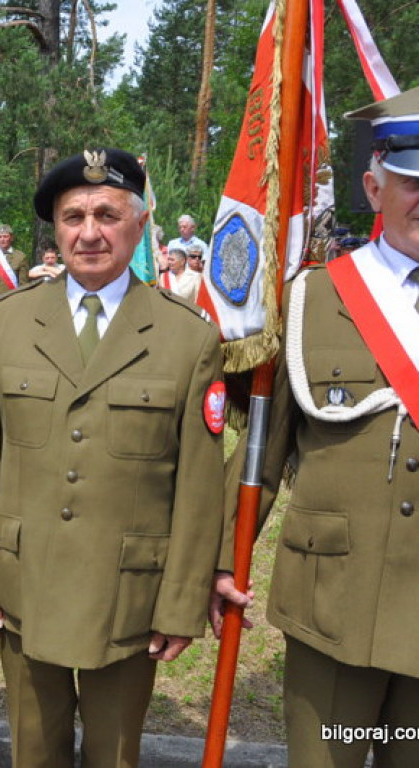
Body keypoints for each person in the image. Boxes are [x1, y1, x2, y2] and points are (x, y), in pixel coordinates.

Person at [0, 147, 225, 768]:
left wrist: (183, 600)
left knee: (115, 755)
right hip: (25, 586)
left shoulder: (187, 336)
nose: (88, 232)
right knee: (33, 750)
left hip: (128, 595)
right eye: (72, 216)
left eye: (106, 214)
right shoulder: (4, 326)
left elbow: (198, 485)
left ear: (139, 225)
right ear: (54, 230)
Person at [213, 86, 419, 768]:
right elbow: (261, 456)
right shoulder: (312, 299)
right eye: (411, 180)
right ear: (374, 185)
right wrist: (221, 562)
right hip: (336, 604)